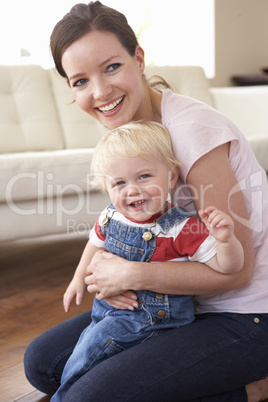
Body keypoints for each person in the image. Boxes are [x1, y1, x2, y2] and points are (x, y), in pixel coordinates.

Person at [24, 2, 268, 401]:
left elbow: (238, 273)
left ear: (138, 58)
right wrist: (108, 280)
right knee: (42, 363)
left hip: (245, 315)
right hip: (170, 305)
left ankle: (249, 389)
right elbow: (125, 232)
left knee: (85, 396)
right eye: (80, 81)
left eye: (112, 67)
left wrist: (129, 275)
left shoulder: (191, 131)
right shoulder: (130, 133)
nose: (100, 92)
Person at [51, 121, 244, 402]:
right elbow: (95, 244)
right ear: (107, 187)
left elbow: (229, 268)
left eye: (144, 176)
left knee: (91, 349)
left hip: (155, 321)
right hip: (106, 311)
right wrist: (77, 280)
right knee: (86, 348)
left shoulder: (181, 227)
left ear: (171, 177)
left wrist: (226, 241)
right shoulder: (110, 216)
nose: (132, 190)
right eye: (119, 183)